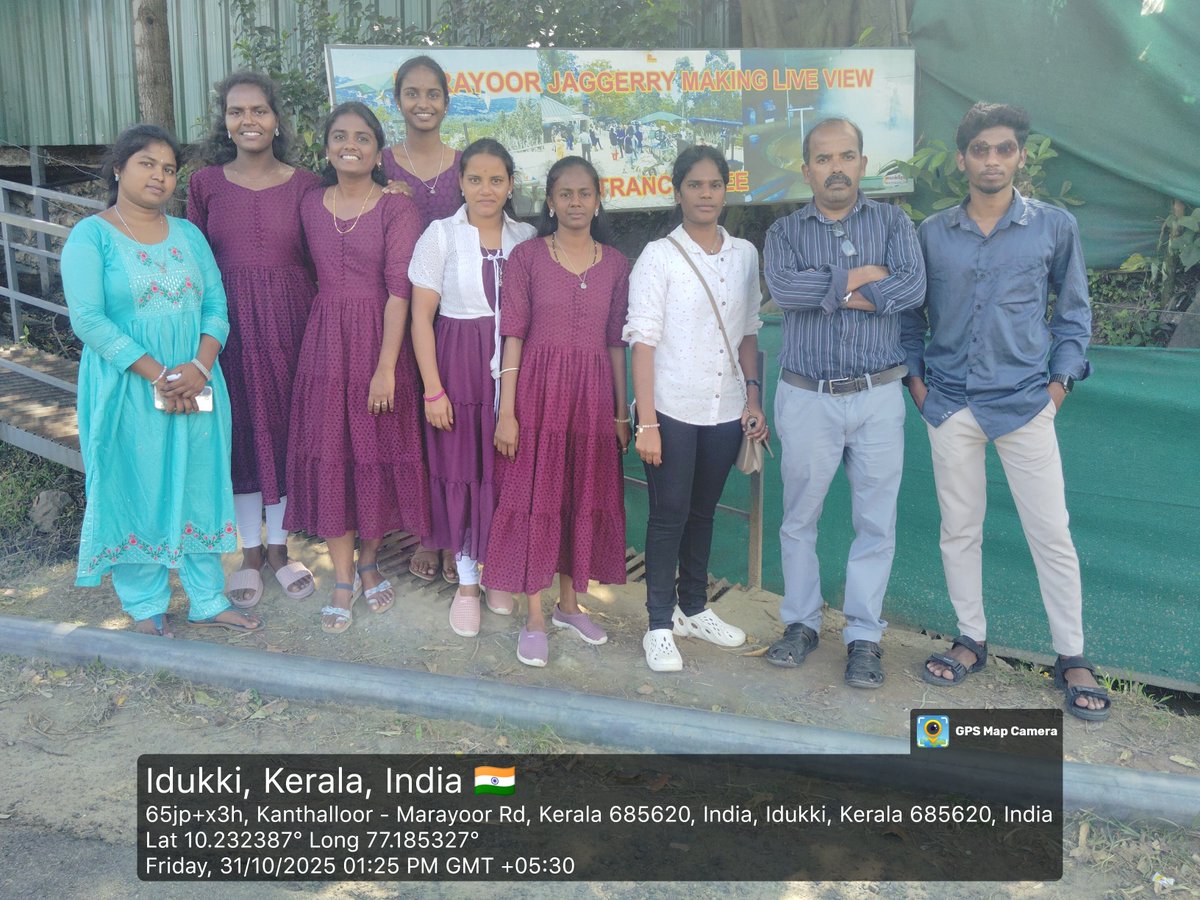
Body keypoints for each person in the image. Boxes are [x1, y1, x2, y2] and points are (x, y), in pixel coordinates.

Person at [901, 102, 1109, 721]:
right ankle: (971, 640)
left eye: (1004, 149)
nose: (992, 160)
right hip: (950, 402)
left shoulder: (1054, 227)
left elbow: (1073, 316)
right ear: (961, 159)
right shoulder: (933, 232)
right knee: (959, 529)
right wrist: (917, 384)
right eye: (980, 150)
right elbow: (911, 316)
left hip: (1024, 404)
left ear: (1020, 156)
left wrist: (1059, 387)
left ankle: (1071, 656)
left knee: (1052, 533)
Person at [63, 124, 263, 638]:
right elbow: (88, 319)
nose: (160, 175)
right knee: (137, 481)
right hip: (127, 385)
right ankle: (147, 601)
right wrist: (161, 375)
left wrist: (196, 369)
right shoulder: (93, 235)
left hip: (197, 381)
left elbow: (216, 306)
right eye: (147, 164)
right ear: (118, 169)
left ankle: (206, 597)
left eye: (169, 168)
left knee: (200, 481)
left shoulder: (189, 235)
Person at [762, 117, 926, 688]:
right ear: (806, 169)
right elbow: (785, 291)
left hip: (879, 396)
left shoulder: (894, 221)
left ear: (862, 163)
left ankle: (863, 636)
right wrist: (864, 282)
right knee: (799, 520)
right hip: (808, 396)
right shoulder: (783, 232)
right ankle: (801, 625)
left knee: (876, 523)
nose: (836, 168)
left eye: (847, 156)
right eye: (824, 158)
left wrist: (829, 288)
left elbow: (912, 287)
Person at [284, 101, 430, 634]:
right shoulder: (308, 203)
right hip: (324, 344)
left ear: (377, 149)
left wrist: (387, 367)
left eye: (363, 137)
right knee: (333, 456)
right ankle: (342, 577)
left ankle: (370, 561)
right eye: (340, 136)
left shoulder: (397, 208)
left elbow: (400, 292)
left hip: (379, 340)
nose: (351, 144)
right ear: (326, 146)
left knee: (375, 453)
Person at [484, 156, 631, 667]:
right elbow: (513, 336)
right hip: (537, 397)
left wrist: (619, 410)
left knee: (579, 496)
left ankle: (570, 606)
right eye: (564, 194)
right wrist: (507, 412)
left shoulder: (615, 264)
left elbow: (616, 343)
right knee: (534, 498)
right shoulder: (526, 258)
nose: (574, 202)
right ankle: (535, 617)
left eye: (584, 193)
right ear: (550, 200)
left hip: (592, 400)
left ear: (597, 199)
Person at [626, 146, 767, 672]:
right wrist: (647, 422)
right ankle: (659, 624)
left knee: (703, 514)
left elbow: (749, 332)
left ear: (725, 191)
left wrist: (752, 399)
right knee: (668, 516)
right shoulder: (658, 256)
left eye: (715, 185)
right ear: (678, 191)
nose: (706, 194)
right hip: (672, 410)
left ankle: (693, 608)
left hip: (725, 410)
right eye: (695, 185)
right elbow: (643, 341)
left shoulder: (746, 255)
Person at [188, 71, 319, 610]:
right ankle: (247, 552)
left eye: (259, 110)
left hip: (293, 320)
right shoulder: (205, 184)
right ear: (225, 120)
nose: (249, 121)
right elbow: (194, 261)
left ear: (276, 118)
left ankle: (281, 549)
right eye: (237, 111)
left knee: (288, 426)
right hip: (228, 326)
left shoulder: (308, 184)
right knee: (239, 429)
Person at [409, 139, 536, 637]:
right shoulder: (440, 235)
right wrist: (433, 390)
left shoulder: (525, 237)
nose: (486, 189)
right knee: (460, 468)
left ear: (510, 185)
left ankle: (497, 570)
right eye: (476, 179)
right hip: (457, 364)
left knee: (505, 471)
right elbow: (421, 318)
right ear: (460, 182)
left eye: (497, 179)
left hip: (511, 364)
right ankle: (466, 582)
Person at [381, 54, 463, 586]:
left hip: (457, 317)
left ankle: (453, 533)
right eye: (412, 93)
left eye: (432, 93)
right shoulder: (379, 162)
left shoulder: (467, 163)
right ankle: (423, 534)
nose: (423, 103)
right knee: (411, 426)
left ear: (447, 101)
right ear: (397, 101)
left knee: (451, 426)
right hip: (394, 307)